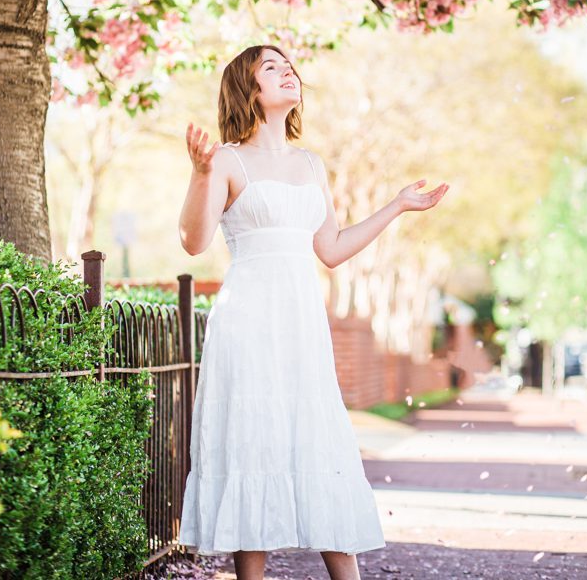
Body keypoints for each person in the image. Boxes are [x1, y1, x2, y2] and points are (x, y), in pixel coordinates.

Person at [177, 44, 449, 580]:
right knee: (251, 439)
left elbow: (330, 249)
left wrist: (396, 205)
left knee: (318, 436)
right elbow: (193, 241)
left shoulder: (310, 164)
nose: (289, 73)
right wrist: (200, 173)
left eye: (291, 66)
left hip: (302, 322)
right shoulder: (227, 160)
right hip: (249, 320)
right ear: (247, 89)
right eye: (272, 68)